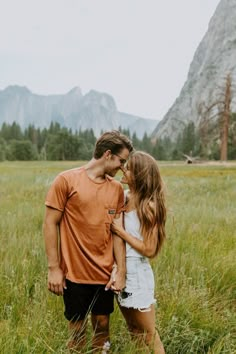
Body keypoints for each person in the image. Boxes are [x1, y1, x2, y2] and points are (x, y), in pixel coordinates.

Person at [43, 130, 133, 352]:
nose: (122, 167)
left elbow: (117, 232)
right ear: (108, 154)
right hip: (74, 274)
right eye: (121, 161)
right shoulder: (66, 180)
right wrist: (54, 268)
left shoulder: (116, 189)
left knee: (102, 329)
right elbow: (49, 224)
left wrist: (120, 270)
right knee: (77, 330)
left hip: (104, 275)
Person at [111, 151, 166, 354]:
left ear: (140, 173)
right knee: (133, 329)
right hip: (120, 268)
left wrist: (121, 232)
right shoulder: (124, 197)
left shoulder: (149, 207)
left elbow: (150, 250)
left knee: (149, 332)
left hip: (138, 272)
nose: (123, 168)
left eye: (128, 166)